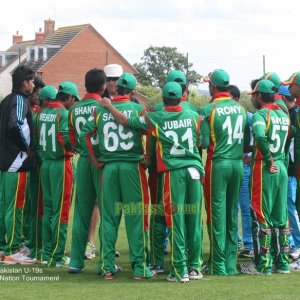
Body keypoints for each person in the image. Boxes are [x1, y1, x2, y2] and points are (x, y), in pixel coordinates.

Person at [98, 80, 205, 283]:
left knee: (176, 221)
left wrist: (109, 105)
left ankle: (179, 270)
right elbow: (200, 137)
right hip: (194, 171)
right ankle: (195, 267)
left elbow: (126, 122)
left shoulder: (156, 117)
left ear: (164, 99)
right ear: (182, 96)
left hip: (173, 172)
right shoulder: (193, 115)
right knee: (194, 220)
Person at [80, 72, 153, 280]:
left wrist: (94, 160)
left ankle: (107, 268)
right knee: (135, 218)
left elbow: (85, 133)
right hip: (132, 168)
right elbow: (150, 132)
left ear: (117, 89)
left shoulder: (100, 109)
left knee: (109, 219)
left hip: (109, 169)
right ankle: (139, 268)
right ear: (132, 91)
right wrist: (146, 157)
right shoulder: (139, 109)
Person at [241, 79, 290, 275]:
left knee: (261, 214)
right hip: (281, 167)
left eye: (253, 94)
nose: (252, 97)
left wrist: (268, 159)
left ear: (260, 96)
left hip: (265, 168)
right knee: (280, 215)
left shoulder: (262, 114)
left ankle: (263, 264)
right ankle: (283, 263)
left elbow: (260, 136)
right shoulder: (283, 114)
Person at [201, 69, 248, 275]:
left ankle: (218, 264)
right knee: (231, 213)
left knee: (216, 213)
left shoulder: (208, 109)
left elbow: (203, 143)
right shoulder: (241, 109)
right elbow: (246, 142)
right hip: (237, 164)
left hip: (218, 164)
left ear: (212, 86)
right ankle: (230, 263)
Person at [36, 81, 79, 267]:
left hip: (45, 164)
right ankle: (57, 256)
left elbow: (37, 141)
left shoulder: (40, 114)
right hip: (61, 164)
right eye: (73, 99)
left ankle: (46, 253)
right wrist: (74, 147)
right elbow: (63, 135)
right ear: (68, 97)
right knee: (60, 212)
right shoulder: (63, 113)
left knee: (48, 210)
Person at [68, 68, 106, 273]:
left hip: (82, 161)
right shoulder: (102, 106)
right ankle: (105, 263)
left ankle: (75, 261)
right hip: (100, 162)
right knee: (106, 211)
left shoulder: (74, 108)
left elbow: (73, 139)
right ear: (103, 87)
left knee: (81, 212)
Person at [0, 64, 37, 265]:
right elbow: (16, 125)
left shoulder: (5, 100)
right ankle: (14, 251)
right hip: (17, 161)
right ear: (25, 83)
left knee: (4, 205)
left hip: (5, 162)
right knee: (15, 208)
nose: (33, 85)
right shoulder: (20, 100)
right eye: (31, 81)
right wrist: (27, 147)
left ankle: (3, 248)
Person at [228, 84, 254, 258]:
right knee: (231, 207)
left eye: (229, 99)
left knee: (245, 207)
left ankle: (249, 243)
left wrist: (253, 153)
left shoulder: (248, 116)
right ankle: (236, 242)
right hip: (230, 164)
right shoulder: (225, 116)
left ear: (236, 100)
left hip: (244, 166)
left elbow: (263, 134)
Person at [23, 76, 46, 260]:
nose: (37, 97)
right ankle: (29, 242)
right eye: (36, 93)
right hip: (30, 162)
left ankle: (29, 241)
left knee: (31, 204)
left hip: (33, 162)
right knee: (32, 204)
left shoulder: (36, 112)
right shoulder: (25, 109)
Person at [278, 85, 300, 261]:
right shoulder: (291, 114)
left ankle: (297, 244)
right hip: (290, 168)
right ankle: (292, 243)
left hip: (292, 169)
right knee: (287, 208)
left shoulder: (294, 115)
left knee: (290, 208)